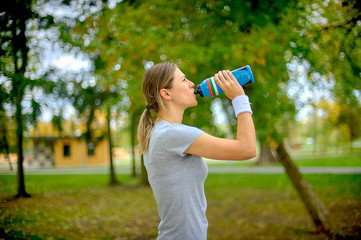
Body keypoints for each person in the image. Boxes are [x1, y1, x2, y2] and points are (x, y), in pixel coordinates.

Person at [137, 62, 257, 240]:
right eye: (184, 79)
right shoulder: (172, 135)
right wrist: (239, 98)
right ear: (166, 93)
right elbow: (247, 149)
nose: (192, 83)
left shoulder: (161, 133)